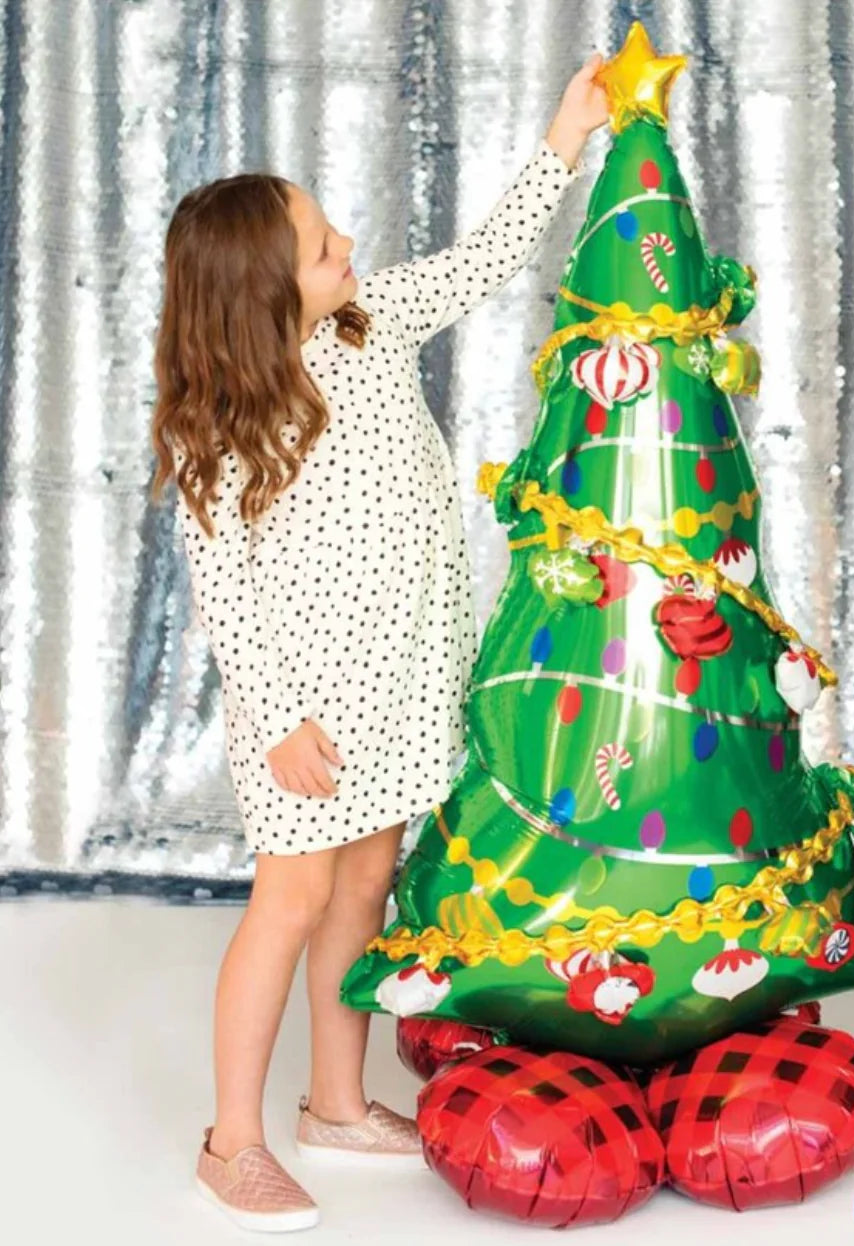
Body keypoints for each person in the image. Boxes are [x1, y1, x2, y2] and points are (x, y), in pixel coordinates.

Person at [149, 57, 609, 1231]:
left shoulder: (369, 320)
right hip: (308, 716)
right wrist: (276, 719)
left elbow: (479, 262)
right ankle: (230, 1139)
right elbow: (227, 599)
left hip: (408, 679)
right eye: (318, 243)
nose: (345, 240)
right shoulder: (226, 427)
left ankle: (336, 1100)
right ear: (259, 296)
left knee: (366, 885)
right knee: (290, 900)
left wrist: (561, 142)